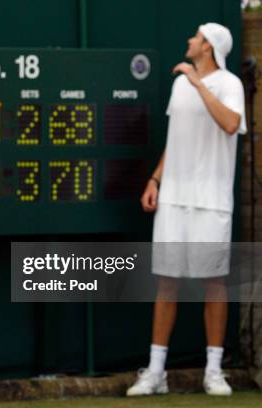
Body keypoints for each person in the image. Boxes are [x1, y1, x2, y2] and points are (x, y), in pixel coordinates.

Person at [128, 23, 246, 397]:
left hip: (211, 201)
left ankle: (213, 371)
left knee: (213, 282)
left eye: (196, 37)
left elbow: (231, 124)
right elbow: (175, 139)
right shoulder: (180, 85)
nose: (189, 41)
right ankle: (156, 372)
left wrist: (198, 84)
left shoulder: (229, 84)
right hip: (174, 199)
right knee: (167, 281)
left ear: (208, 47)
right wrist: (156, 179)